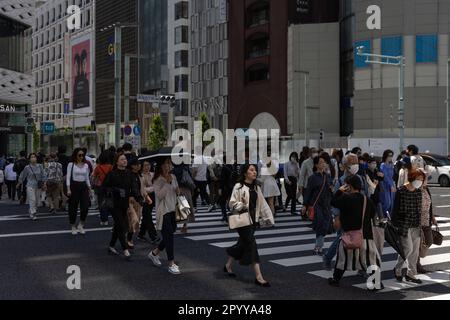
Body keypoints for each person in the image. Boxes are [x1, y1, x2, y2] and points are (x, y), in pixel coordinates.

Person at [327, 175, 381, 289]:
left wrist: (339, 191)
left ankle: (336, 279)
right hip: (365, 235)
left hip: (350, 235)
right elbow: (372, 214)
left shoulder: (346, 198)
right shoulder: (367, 199)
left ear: (349, 186)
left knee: (343, 259)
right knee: (370, 260)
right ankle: (376, 284)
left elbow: (333, 202)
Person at [225, 164, 274, 287]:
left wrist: (268, 218)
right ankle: (259, 277)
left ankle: (228, 265)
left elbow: (262, 204)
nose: (254, 172)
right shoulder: (239, 186)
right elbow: (232, 203)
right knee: (252, 244)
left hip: (253, 221)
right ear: (245, 173)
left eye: (255, 170)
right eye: (251, 170)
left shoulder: (256, 187)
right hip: (243, 221)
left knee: (243, 243)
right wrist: (242, 205)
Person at [147, 157, 182, 274]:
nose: (168, 165)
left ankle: (154, 253)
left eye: (169, 163)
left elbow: (177, 192)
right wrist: (166, 183)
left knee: (170, 233)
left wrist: (177, 189)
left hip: (173, 209)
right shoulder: (157, 179)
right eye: (166, 163)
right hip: (163, 211)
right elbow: (160, 195)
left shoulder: (173, 177)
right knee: (169, 237)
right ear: (161, 166)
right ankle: (171, 263)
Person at [391, 169, 425, 284]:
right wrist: (395, 224)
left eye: (421, 179)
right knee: (408, 249)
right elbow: (394, 209)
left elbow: (419, 210)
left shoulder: (418, 192)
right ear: (411, 178)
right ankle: (398, 268)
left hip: (416, 224)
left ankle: (411, 274)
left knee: (415, 251)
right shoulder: (401, 191)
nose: (420, 181)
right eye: (418, 179)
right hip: (404, 225)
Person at [102, 153, 136, 260]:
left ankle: (111, 246)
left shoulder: (129, 173)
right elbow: (104, 187)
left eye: (125, 159)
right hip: (113, 204)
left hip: (124, 203)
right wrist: (116, 190)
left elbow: (133, 187)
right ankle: (125, 249)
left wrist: (136, 197)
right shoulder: (112, 174)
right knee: (121, 225)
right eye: (122, 159)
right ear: (117, 162)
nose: (124, 161)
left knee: (119, 225)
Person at [302, 154, 334, 255]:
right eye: (321, 162)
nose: (323, 164)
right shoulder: (312, 178)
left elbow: (331, 190)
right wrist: (305, 205)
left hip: (327, 204)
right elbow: (308, 192)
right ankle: (318, 246)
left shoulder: (328, 176)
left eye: (324, 162)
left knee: (326, 225)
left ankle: (318, 245)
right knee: (320, 224)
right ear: (316, 165)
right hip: (316, 205)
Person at [66, 148, 92, 235]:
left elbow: (87, 178)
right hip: (74, 186)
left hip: (84, 186)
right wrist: (68, 189)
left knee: (85, 207)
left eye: (82, 155)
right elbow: (68, 177)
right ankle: (73, 225)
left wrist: (89, 188)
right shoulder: (71, 164)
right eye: (79, 155)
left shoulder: (86, 165)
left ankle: (81, 224)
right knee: (73, 207)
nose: (81, 157)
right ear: (75, 155)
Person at [417, 169, 437, 274]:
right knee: (418, 243)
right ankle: (416, 263)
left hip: (427, 220)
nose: (427, 180)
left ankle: (413, 259)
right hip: (417, 222)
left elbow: (430, 204)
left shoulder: (426, 189)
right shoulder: (415, 189)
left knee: (429, 241)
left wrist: (432, 217)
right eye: (425, 178)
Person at [17, 153, 46, 220]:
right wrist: (19, 183)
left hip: (38, 185)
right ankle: (33, 213)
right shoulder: (27, 167)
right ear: (29, 159)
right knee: (32, 199)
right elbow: (22, 175)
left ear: (36, 158)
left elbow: (43, 175)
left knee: (36, 200)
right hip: (30, 185)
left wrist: (44, 183)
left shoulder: (40, 166)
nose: (33, 158)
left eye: (34, 157)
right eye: (32, 157)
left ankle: (31, 211)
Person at [138, 160, 159, 243]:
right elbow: (142, 189)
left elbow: (157, 185)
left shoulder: (152, 174)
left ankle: (141, 234)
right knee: (147, 216)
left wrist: (151, 188)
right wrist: (152, 188)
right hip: (144, 197)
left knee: (146, 216)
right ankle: (153, 236)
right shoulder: (140, 176)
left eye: (149, 165)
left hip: (153, 197)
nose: (147, 167)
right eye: (145, 165)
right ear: (142, 166)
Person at [173, 162, 196, 234]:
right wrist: (192, 189)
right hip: (186, 189)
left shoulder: (173, 170)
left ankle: (175, 226)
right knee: (185, 208)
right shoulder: (186, 169)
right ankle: (185, 226)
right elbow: (190, 180)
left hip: (176, 189)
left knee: (175, 208)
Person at [91, 151, 113, 225]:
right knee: (109, 203)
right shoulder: (110, 166)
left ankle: (103, 220)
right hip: (109, 187)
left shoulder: (98, 167)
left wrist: (93, 185)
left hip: (100, 187)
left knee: (101, 203)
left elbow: (94, 177)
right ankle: (107, 218)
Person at [299, 147, 318, 218]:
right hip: (307, 185)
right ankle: (304, 213)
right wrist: (300, 186)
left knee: (313, 202)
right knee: (306, 201)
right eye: (313, 152)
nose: (315, 153)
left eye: (316, 151)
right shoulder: (305, 162)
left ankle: (311, 216)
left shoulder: (318, 161)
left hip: (316, 185)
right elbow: (302, 175)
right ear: (310, 153)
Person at [379, 150, 396, 219]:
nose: (390, 157)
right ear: (385, 156)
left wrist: (393, 184)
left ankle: (389, 218)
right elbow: (385, 176)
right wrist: (391, 185)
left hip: (391, 183)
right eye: (389, 155)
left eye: (391, 155)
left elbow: (392, 176)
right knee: (387, 202)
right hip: (385, 184)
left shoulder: (391, 165)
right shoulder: (383, 165)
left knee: (392, 203)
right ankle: (384, 216)